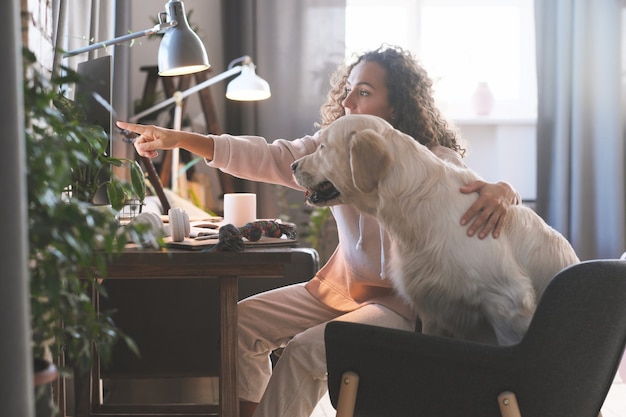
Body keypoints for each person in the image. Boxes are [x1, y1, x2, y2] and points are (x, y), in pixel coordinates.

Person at [118, 45, 521, 417]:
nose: (347, 102)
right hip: (341, 289)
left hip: (401, 308)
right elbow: (270, 157)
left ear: (396, 106)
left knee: (305, 351)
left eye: (363, 92)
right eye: (347, 90)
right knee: (240, 324)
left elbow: (485, 196)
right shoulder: (330, 149)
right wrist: (180, 140)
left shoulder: (433, 161)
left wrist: (506, 192)